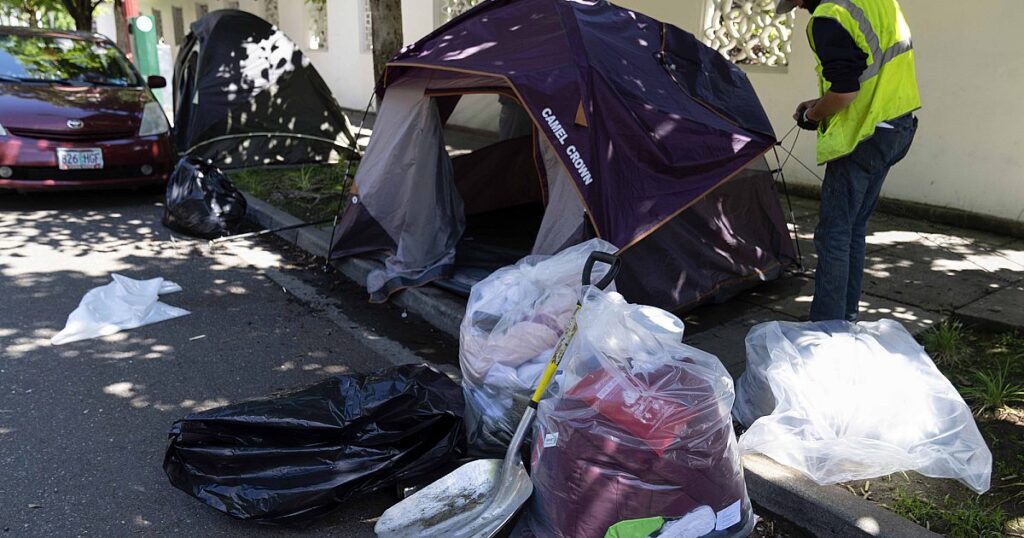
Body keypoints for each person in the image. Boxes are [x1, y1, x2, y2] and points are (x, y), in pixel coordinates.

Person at [777, 0, 921, 321]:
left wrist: (813, 115)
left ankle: (827, 329)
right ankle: (847, 316)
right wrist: (818, 102)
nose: (800, 8)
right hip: (897, 126)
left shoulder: (829, 16)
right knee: (854, 228)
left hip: (864, 135)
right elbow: (871, 72)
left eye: (796, 2)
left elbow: (844, 93)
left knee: (834, 234)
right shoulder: (878, 4)